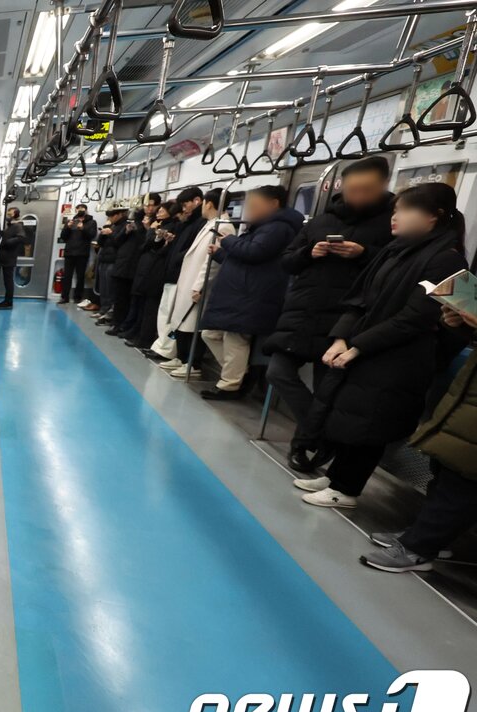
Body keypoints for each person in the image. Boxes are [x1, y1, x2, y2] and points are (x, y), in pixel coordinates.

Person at [293, 182, 469, 509]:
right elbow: (360, 297)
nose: (395, 216)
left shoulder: (448, 261)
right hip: (370, 346)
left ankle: (346, 489)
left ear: (433, 216)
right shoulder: (395, 250)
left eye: (405, 210)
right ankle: (336, 476)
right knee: (350, 416)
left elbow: (416, 317)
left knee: (371, 424)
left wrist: (357, 345)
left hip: (400, 357)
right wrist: (341, 337)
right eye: (395, 210)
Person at [263, 156, 395, 472]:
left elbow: (395, 268)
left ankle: (304, 444)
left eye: (366, 189)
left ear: (382, 187)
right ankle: (321, 434)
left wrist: (364, 253)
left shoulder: (390, 224)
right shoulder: (321, 221)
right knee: (277, 372)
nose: (357, 196)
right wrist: (310, 252)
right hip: (304, 312)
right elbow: (288, 261)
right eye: (352, 189)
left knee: (327, 390)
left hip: (345, 319)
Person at [362, 306, 477, 571]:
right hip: (467, 392)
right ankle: (429, 537)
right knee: (446, 465)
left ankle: (418, 548)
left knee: (463, 477)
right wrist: (461, 324)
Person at [197, 185, 303, 399]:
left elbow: (255, 252)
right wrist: (220, 254)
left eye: (254, 205)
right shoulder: (260, 228)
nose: (249, 210)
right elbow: (244, 260)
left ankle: (230, 385)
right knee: (211, 334)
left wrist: (228, 241)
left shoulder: (277, 228)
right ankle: (238, 373)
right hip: (241, 293)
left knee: (235, 339)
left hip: (251, 295)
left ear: (273, 204)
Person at [158, 188, 235, 375]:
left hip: (198, 283)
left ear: (209, 204)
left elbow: (212, 262)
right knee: (183, 322)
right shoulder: (210, 223)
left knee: (193, 326)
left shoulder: (223, 226)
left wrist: (199, 286)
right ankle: (182, 358)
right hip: (190, 279)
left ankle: (193, 364)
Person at [146, 187, 207, 359]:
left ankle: (170, 351)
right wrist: (170, 242)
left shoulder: (200, 224)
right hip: (172, 272)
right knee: (165, 312)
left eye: (185, 206)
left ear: (197, 201)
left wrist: (177, 257)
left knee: (175, 316)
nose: (184, 211)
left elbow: (193, 252)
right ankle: (163, 347)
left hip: (182, 275)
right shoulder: (186, 225)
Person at [125, 201, 179, 348]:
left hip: (156, 269)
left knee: (150, 307)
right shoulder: (158, 225)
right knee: (140, 303)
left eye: (163, 210)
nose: (159, 212)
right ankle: (136, 331)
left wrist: (152, 231)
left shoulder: (171, 227)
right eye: (159, 209)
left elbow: (154, 247)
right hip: (146, 267)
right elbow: (144, 245)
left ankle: (145, 338)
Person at [106, 196, 155, 334]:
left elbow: (146, 245)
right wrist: (126, 231)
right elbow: (116, 241)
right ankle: (117, 323)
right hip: (122, 263)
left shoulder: (152, 225)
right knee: (119, 297)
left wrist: (147, 229)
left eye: (151, 205)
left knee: (130, 299)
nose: (148, 208)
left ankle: (125, 325)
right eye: (146, 205)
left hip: (136, 265)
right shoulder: (131, 223)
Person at [58, 204, 97, 305]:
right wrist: (67, 227)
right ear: (76, 210)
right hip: (69, 252)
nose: (80, 211)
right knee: (67, 276)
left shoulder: (91, 222)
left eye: (82, 209)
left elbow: (92, 235)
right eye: (78, 209)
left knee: (80, 277)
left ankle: (78, 297)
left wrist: (83, 228)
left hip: (82, 253)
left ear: (86, 211)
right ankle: (64, 297)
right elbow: (63, 237)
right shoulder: (71, 221)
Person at [0, 207, 27, 309]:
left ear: (15, 214)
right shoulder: (10, 227)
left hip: (9, 257)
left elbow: (21, 237)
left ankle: (9, 302)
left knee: (8, 281)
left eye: (10, 214)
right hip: (5, 257)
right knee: (7, 281)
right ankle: (7, 300)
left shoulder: (18, 226)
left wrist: (8, 242)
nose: (8, 216)